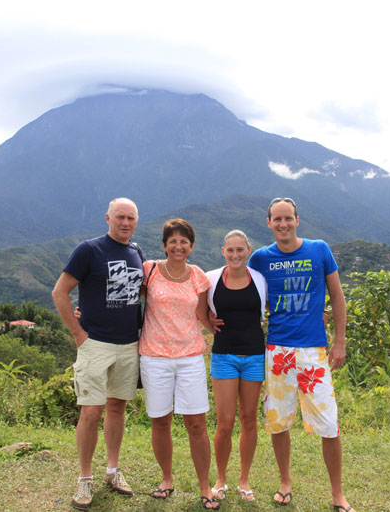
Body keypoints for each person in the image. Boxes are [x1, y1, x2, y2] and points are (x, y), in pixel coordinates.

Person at [247, 197, 355, 511]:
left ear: (297, 220)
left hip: (313, 352)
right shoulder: (260, 258)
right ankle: (285, 481)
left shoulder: (319, 249)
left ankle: (337, 493)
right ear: (268, 223)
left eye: (288, 218)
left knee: (329, 424)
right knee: (279, 422)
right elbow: (248, 293)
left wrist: (340, 341)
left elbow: (337, 296)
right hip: (277, 351)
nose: (283, 224)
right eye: (277, 219)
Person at [52, 197, 144, 510]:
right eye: (120, 217)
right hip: (96, 344)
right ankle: (84, 479)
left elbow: (140, 292)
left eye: (130, 218)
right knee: (90, 412)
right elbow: (59, 291)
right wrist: (78, 334)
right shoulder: (89, 250)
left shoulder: (136, 251)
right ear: (108, 217)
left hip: (128, 344)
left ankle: (113, 471)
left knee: (117, 408)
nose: (125, 223)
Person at [138, 218, 221, 511]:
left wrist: (226, 334)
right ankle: (167, 478)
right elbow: (125, 299)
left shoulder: (197, 275)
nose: (178, 246)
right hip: (154, 357)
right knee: (160, 421)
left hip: (190, 358)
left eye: (183, 241)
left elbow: (202, 313)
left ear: (191, 246)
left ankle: (204, 485)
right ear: (163, 245)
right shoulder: (148, 271)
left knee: (196, 423)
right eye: (172, 241)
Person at [205, 230, 268, 502]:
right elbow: (196, 306)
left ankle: (244, 479)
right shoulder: (211, 279)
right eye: (230, 250)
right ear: (223, 251)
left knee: (250, 420)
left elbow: (277, 306)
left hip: (255, 355)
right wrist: (207, 324)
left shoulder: (260, 279)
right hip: (224, 356)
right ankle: (220, 478)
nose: (235, 255)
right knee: (225, 423)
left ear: (248, 250)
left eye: (240, 249)